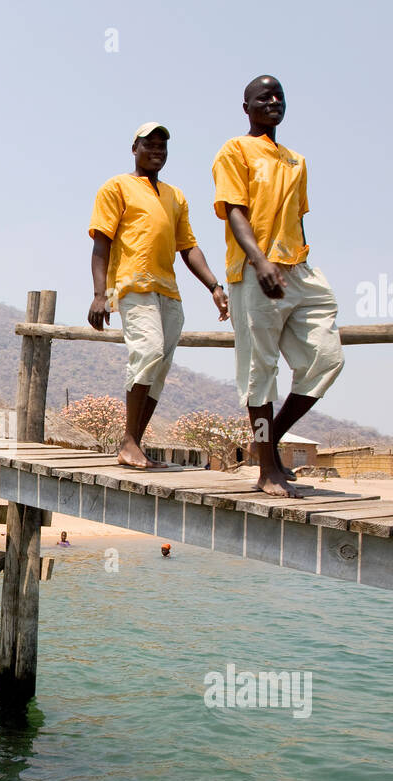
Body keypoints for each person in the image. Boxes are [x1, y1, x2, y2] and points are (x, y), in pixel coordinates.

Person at [213, 76, 344, 498]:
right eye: (263, 97)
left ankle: (264, 442)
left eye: (279, 97)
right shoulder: (235, 150)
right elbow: (235, 212)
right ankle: (268, 468)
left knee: (326, 358)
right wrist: (259, 260)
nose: (273, 102)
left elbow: (298, 217)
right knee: (260, 370)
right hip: (256, 269)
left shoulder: (295, 160)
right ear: (246, 106)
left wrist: (294, 261)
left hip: (298, 268)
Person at [89, 122, 229, 470]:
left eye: (162, 147)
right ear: (134, 148)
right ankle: (129, 443)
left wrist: (214, 286)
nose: (156, 151)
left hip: (169, 292)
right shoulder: (116, 187)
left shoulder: (175, 196)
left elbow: (189, 248)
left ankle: (134, 444)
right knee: (148, 351)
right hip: (132, 286)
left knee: (160, 367)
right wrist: (98, 295)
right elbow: (101, 243)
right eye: (149, 145)